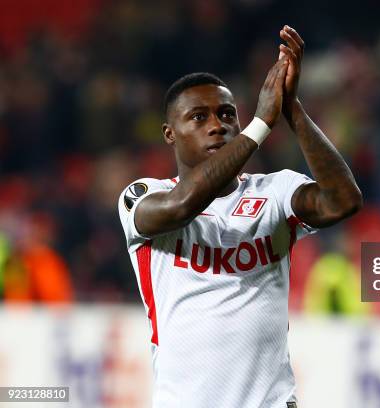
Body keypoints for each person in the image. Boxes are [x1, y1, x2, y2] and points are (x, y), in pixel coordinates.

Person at [117, 26, 362, 408]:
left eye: (227, 114)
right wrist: (260, 125)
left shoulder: (274, 192)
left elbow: (343, 200)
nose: (218, 125)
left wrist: (290, 110)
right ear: (170, 134)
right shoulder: (143, 196)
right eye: (198, 117)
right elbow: (182, 206)